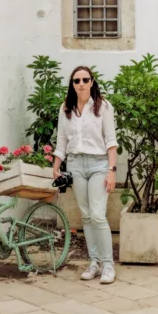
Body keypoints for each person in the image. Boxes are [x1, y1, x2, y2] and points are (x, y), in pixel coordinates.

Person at [52, 65, 118, 283]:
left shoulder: (103, 106)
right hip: (76, 164)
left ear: (92, 82)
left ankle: (108, 265)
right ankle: (94, 262)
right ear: (72, 84)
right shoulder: (66, 109)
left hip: (99, 164)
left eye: (85, 80)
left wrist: (111, 170)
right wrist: (56, 165)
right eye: (76, 80)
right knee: (87, 216)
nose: (81, 84)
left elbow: (111, 141)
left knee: (98, 215)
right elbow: (62, 140)